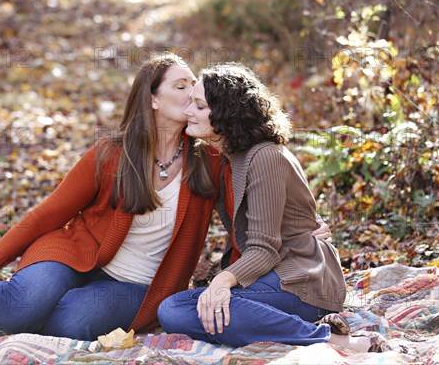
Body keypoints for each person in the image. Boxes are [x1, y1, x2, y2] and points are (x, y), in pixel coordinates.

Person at [0, 54, 331, 341]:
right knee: (26, 301)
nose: (192, 97)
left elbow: (252, 215)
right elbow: (46, 214)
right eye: (182, 86)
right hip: (74, 254)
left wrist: (306, 236)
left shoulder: (211, 161)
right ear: (153, 98)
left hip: (138, 282)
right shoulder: (111, 153)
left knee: (75, 322)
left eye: (196, 91)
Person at [158, 63, 391, 353]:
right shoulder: (228, 159)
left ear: (227, 114)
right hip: (270, 276)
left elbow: (264, 248)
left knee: (177, 308)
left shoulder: (265, 157)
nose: (188, 111)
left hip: (302, 280)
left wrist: (221, 281)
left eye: (199, 106)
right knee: (177, 310)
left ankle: (334, 340)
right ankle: (277, 323)